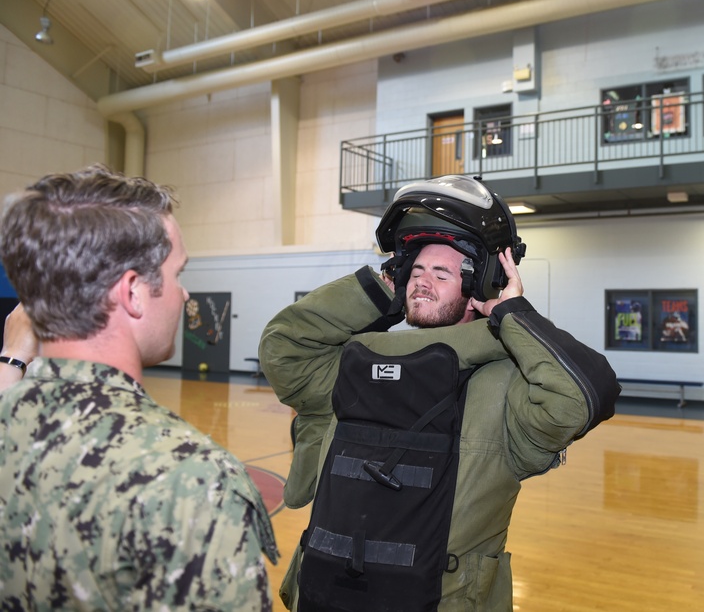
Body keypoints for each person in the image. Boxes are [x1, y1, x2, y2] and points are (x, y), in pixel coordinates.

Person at [260, 174, 621, 611]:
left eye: (441, 272)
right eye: (414, 269)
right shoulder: (355, 367)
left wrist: (510, 312)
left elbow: (579, 398)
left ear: (479, 287)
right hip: (322, 596)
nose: (421, 281)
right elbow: (284, 348)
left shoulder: (506, 386)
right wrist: (376, 294)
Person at [0, 165, 279, 610]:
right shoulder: (191, 479)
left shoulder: (11, 418)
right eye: (177, 274)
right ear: (132, 292)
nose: (185, 295)